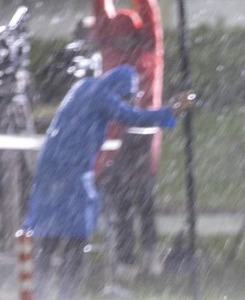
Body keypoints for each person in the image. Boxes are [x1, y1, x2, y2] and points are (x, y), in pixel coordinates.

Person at [22, 64, 190, 300]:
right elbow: (131, 116)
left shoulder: (84, 88)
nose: (122, 102)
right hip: (71, 172)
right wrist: (172, 110)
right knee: (76, 236)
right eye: (124, 96)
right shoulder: (101, 96)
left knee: (49, 235)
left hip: (52, 170)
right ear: (118, 89)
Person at [93, 0, 166, 274]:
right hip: (116, 137)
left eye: (127, 37)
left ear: (136, 35)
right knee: (122, 200)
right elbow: (100, 10)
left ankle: (150, 255)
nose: (122, 41)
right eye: (117, 37)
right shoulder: (109, 48)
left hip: (143, 134)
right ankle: (126, 260)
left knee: (144, 198)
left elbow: (149, 13)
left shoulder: (149, 49)